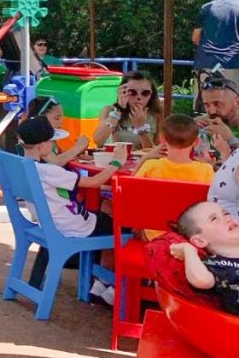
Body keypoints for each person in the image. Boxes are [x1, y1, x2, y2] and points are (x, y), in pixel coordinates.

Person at [19, 115, 122, 302]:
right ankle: (112, 285)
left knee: (104, 214)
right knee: (120, 227)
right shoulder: (49, 171)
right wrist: (117, 162)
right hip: (72, 228)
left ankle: (101, 283)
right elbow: (95, 181)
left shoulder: (20, 165)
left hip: (49, 224)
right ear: (43, 145)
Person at [171, 201, 239, 314]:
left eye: (226, 213)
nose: (227, 218)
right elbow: (201, 280)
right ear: (199, 240)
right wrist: (189, 250)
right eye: (214, 219)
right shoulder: (214, 264)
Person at [92, 71, 161, 150]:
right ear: (123, 92)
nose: (139, 97)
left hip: (142, 161)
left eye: (145, 93)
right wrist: (118, 110)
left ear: (151, 95)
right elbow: (98, 141)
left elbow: (158, 152)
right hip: (115, 159)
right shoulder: (109, 111)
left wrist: (141, 128)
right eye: (132, 92)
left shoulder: (157, 114)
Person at [135, 115, 214, 183]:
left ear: (162, 139)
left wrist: (145, 158)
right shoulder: (206, 170)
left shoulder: (151, 166)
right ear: (196, 142)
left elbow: (130, 187)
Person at [193, 0, 239, 87]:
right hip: (235, 63)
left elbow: (195, 38)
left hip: (207, 64)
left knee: (205, 101)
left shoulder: (206, 8)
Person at [26, 95, 88, 165]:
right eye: (57, 118)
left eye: (62, 118)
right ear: (40, 118)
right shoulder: (35, 137)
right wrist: (78, 147)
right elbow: (55, 162)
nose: (61, 122)